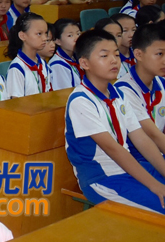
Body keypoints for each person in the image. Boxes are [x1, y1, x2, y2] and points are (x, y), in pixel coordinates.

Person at [65, 29, 165, 213]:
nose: (114, 60)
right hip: (102, 178)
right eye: (104, 55)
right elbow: (115, 150)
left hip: (127, 170)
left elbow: (141, 138)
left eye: (116, 55)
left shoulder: (118, 94)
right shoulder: (81, 100)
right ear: (84, 63)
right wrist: (155, 185)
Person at [116, 23, 165, 161]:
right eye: (159, 54)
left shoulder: (161, 82)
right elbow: (153, 135)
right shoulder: (124, 90)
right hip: (140, 160)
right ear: (138, 54)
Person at [6, 13, 53, 97]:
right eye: (39, 34)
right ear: (22, 36)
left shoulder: (42, 63)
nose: (45, 38)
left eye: (45, 33)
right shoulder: (17, 68)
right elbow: (16, 103)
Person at [49, 18, 82, 90]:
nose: (77, 38)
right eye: (70, 35)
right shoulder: (58, 65)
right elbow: (64, 95)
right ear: (57, 41)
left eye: (78, 34)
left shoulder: (76, 58)